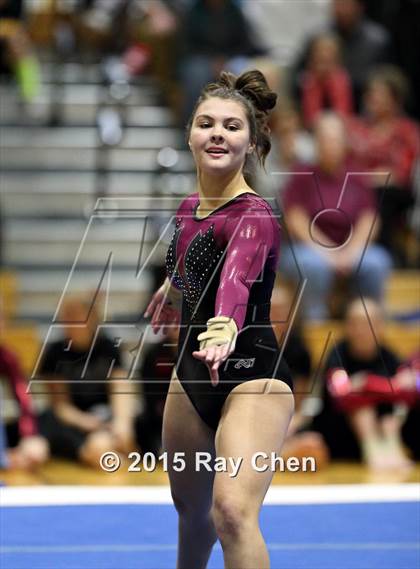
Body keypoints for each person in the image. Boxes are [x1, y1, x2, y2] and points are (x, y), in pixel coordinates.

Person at [144, 69, 294, 569]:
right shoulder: (190, 208)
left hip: (252, 376)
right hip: (192, 376)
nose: (217, 133)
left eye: (232, 126)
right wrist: (172, 289)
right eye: (206, 123)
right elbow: (193, 259)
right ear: (189, 133)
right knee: (191, 515)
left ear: (251, 143)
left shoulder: (255, 214)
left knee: (231, 511)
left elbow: (237, 278)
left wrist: (226, 324)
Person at [280, 112, 392, 320]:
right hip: (308, 248)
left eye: (334, 138)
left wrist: (350, 252)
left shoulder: (357, 176)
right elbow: (296, 220)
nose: (329, 144)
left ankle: (368, 321)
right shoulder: (301, 175)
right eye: (324, 138)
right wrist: (328, 253)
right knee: (312, 266)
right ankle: (316, 322)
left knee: (377, 262)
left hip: (351, 248)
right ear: (315, 142)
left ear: (344, 143)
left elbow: (370, 219)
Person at [311, 298, 414, 470]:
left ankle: (393, 452)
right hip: (339, 431)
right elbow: (340, 393)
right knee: (362, 408)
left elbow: (408, 389)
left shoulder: (388, 356)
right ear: (347, 327)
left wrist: (366, 383)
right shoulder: (337, 354)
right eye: (355, 324)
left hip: (382, 425)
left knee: (390, 415)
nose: (361, 330)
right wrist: (385, 386)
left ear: (380, 326)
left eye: (368, 324)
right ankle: (373, 453)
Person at [37, 295, 136, 469]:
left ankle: (113, 451)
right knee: (94, 449)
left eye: (76, 316)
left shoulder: (108, 348)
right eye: (66, 316)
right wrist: (86, 422)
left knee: (120, 437)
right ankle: (94, 453)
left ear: (91, 318)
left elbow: (121, 390)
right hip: (70, 420)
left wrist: (122, 423)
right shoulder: (55, 352)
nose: (69, 322)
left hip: (103, 415)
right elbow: (60, 406)